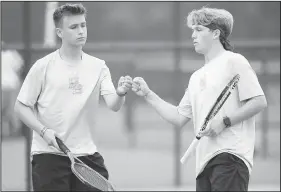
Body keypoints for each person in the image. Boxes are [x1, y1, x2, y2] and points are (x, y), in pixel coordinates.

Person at [132, 6, 267, 191]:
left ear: (216, 33)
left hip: (231, 157)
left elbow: (259, 101)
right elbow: (179, 117)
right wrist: (148, 95)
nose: (193, 35)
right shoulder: (196, 77)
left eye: (198, 29)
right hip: (204, 164)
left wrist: (224, 122)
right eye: (192, 30)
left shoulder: (234, 61)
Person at [14, 3, 133, 191]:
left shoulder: (99, 66)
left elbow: (114, 105)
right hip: (48, 155)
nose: (81, 31)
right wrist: (44, 131)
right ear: (59, 33)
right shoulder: (42, 66)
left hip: (87, 155)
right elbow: (20, 107)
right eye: (74, 27)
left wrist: (120, 93)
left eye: (83, 25)